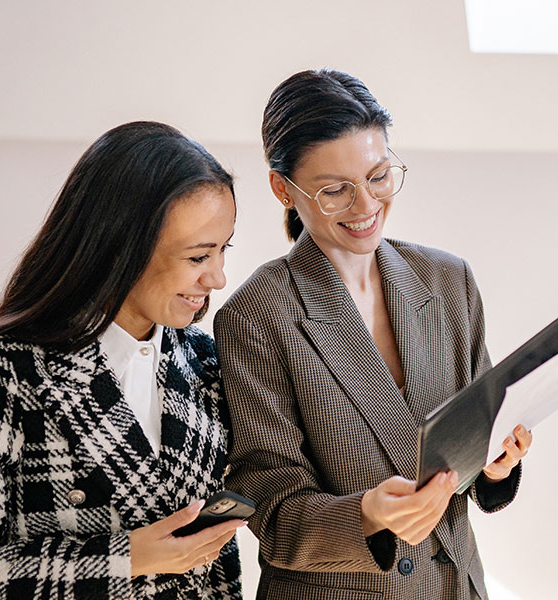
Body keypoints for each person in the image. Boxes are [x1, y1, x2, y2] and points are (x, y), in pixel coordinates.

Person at [0, 121, 244, 599]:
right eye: (199, 257)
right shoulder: (1, 367)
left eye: (224, 250)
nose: (218, 278)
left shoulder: (204, 362)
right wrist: (125, 559)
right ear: (121, 247)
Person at [215, 68, 531, 600]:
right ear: (282, 189)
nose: (365, 207)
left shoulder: (447, 280)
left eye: (379, 176)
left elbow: (476, 439)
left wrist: (496, 463)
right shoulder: (258, 314)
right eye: (335, 190)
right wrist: (366, 513)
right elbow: (270, 509)